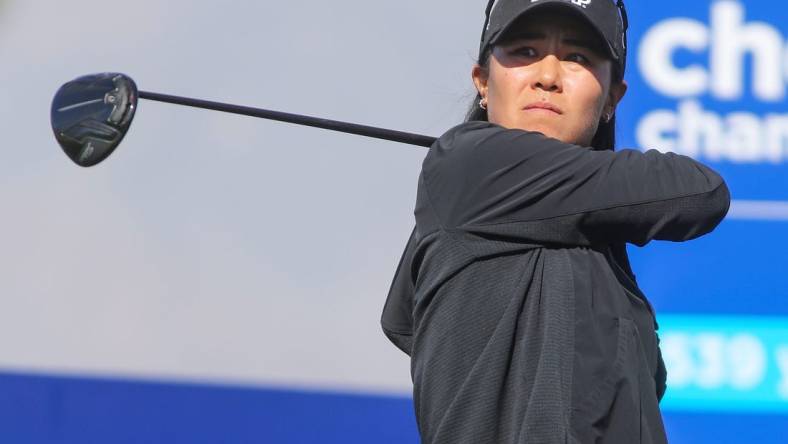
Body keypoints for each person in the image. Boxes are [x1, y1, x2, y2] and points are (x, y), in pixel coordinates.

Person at [381, 0, 730, 443]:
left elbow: (400, 322)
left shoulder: (598, 252)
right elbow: (701, 190)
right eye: (525, 51)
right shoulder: (468, 162)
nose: (547, 76)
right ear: (483, 82)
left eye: (577, 58)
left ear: (612, 98)